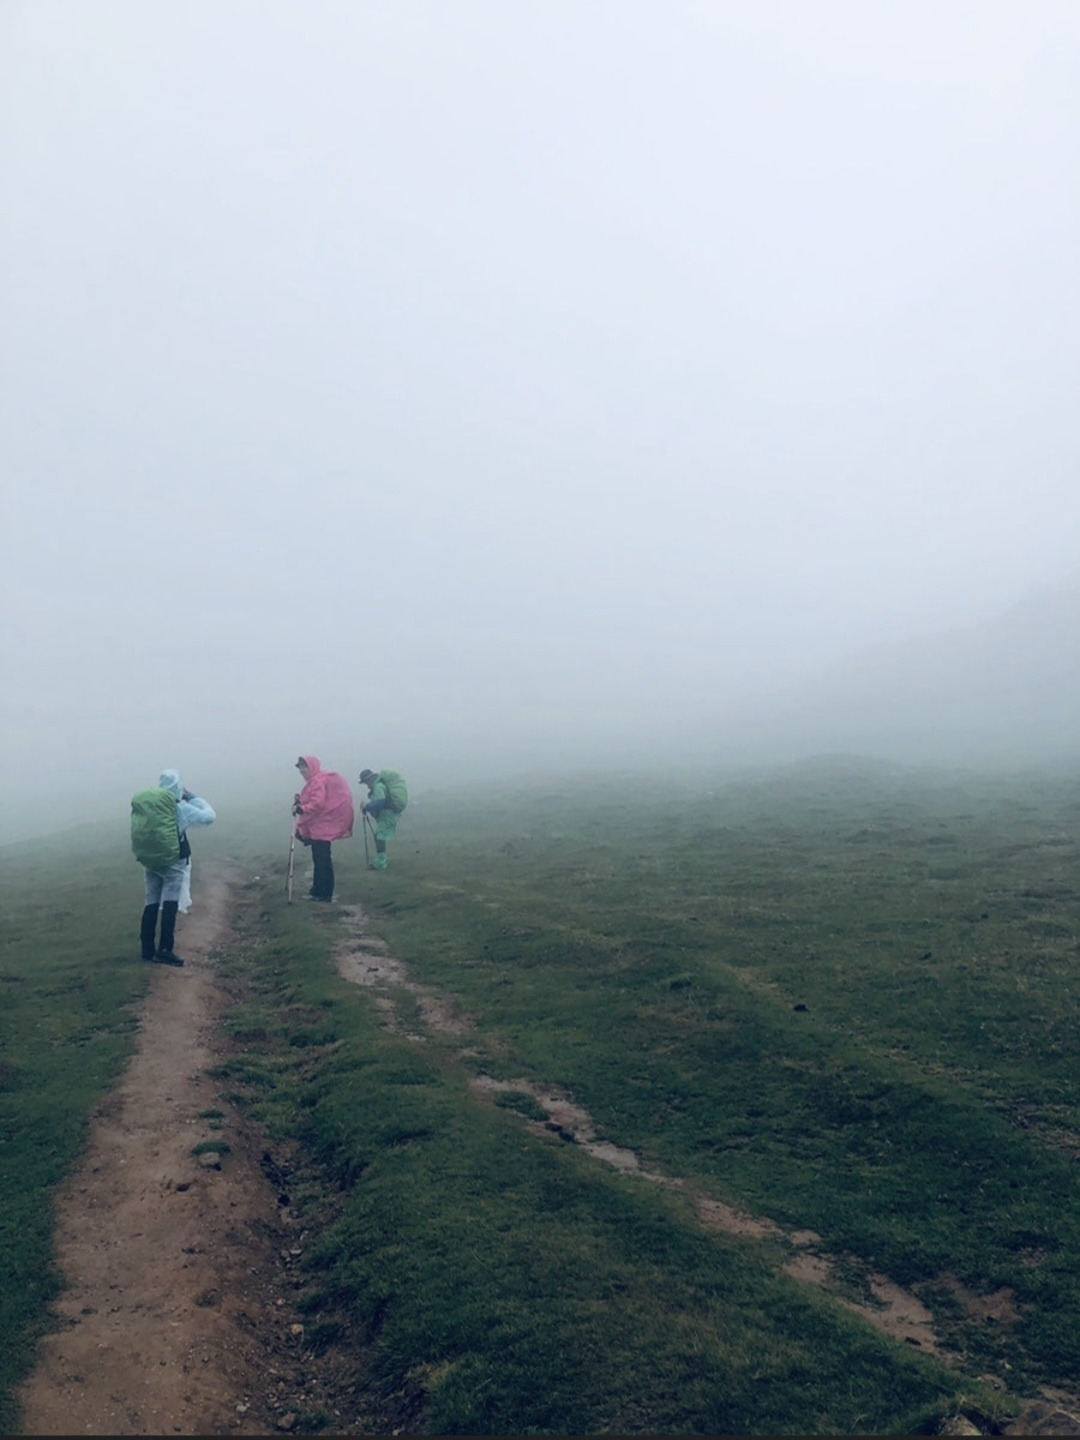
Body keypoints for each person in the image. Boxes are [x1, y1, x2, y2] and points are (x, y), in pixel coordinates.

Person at [134, 770, 216, 966]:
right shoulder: (179, 808)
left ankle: (147, 949)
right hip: (173, 861)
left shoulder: (152, 807)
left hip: (150, 859)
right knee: (170, 902)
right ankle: (165, 949)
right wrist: (192, 796)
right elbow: (209, 817)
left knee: (151, 901)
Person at [292, 755, 354, 901]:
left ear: (311, 766)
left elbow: (318, 803)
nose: (302, 771)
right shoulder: (320, 779)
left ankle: (323, 893)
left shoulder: (316, 781)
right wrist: (301, 803)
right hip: (321, 825)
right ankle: (318, 891)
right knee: (321, 859)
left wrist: (302, 809)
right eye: (300, 768)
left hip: (322, 826)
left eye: (304, 767)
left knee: (321, 860)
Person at [359, 767, 408, 870]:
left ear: (370, 779)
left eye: (366, 782)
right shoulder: (379, 785)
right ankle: (380, 860)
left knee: (380, 837)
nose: (367, 785)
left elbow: (380, 802)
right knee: (379, 836)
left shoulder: (378, 787)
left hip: (387, 814)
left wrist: (367, 807)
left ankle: (381, 863)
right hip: (387, 814)